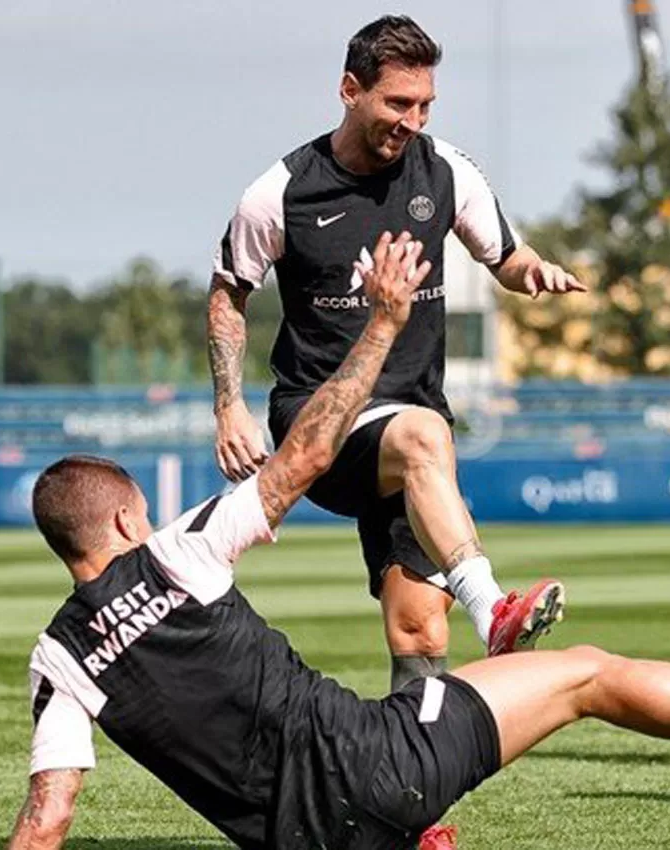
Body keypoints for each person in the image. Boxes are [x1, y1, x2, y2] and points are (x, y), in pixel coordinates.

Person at [8, 232, 670, 850]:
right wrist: (383, 322)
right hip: (385, 767)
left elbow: (48, 820)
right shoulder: (180, 549)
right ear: (127, 519)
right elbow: (309, 451)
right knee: (585, 674)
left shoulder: (58, 659)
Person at [207, 15, 585, 695]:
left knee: (420, 629)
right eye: (397, 103)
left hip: (416, 439)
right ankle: (494, 607)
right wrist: (229, 406)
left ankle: (412, 794)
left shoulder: (445, 171)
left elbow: (504, 254)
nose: (412, 119)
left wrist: (533, 272)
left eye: (424, 105)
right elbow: (228, 292)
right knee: (421, 433)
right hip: (319, 424)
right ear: (350, 90)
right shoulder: (280, 192)